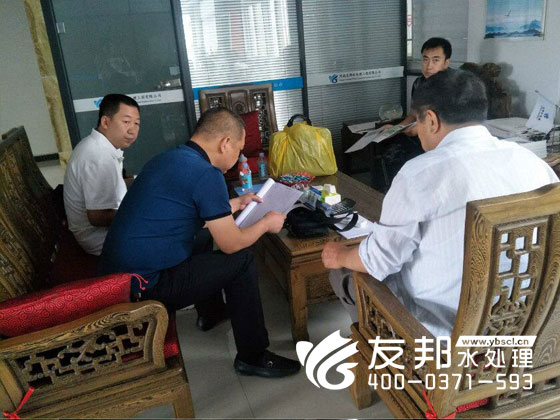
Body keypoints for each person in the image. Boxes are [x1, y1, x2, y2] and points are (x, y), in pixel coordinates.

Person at [323, 69, 559, 338]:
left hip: (442, 336)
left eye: (418, 122)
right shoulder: (532, 163)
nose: (417, 132)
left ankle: (384, 351)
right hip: (525, 326)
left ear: (432, 120)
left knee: (344, 272)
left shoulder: (419, 174)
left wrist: (338, 254)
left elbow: (378, 261)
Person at [99, 107, 300, 377]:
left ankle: (211, 313)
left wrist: (234, 204)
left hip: (121, 275)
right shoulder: (207, 174)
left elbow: (185, 213)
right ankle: (253, 356)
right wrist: (265, 224)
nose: (238, 158)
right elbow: (231, 244)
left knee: (203, 235)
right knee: (242, 261)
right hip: (143, 286)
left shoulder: (170, 157)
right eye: (238, 150)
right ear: (225, 143)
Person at [64, 94, 140, 256]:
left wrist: (140, 181)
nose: (132, 130)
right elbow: (98, 217)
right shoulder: (98, 156)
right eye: (126, 122)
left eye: (136, 123)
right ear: (105, 122)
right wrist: (141, 213)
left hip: (104, 233)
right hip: (101, 240)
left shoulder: (98, 146)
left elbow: (113, 184)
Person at [374, 38, 453, 191]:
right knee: (386, 148)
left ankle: (405, 194)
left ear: (446, 62)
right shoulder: (419, 83)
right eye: (425, 59)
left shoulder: (453, 86)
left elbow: (442, 123)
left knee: (401, 157)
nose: (429, 66)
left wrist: (415, 129)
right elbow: (413, 114)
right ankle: (385, 196)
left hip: (442, 140)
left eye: (436, 60)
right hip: (421, 134)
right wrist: (396, 128)